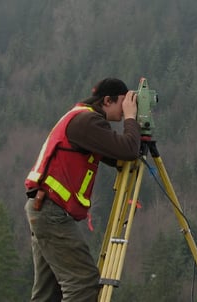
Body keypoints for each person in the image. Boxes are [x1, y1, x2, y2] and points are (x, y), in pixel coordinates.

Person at [24, 78, 140, 301]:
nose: (126, 109)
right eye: (123, 103)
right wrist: (132, 119)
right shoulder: (87, 121)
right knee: (84, 283)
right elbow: (128, 150)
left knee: (48, 293)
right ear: (108, 100)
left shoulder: (80, 118)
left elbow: (118, 154)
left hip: (43, 209)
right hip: (51, 213)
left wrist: (132, 128)